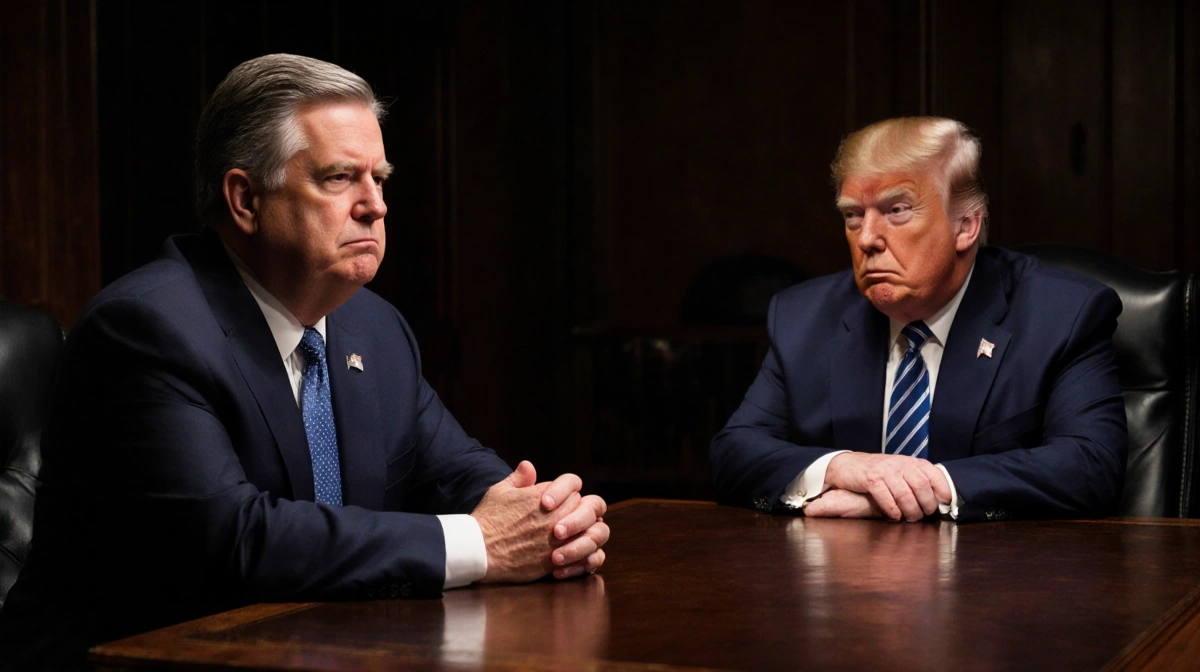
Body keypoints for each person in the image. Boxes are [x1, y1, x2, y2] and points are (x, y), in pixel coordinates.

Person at [0, 54, 608, 668]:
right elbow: (237, 541)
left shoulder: (375, 327)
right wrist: (480, 543)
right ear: (245, 199)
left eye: (380, 178)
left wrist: (549, 522)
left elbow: (455, 469)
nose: (376, 205)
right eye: (340, 178)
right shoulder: (147, 328)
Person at [710, 117, 1128, 523]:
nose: (867, 238)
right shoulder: (805, 317)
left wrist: (922, 489)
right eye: (853, 214)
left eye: (897, 209)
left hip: (999, 580)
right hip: (843, 579)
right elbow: (734, 455)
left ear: (965, 225)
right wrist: (843, 469)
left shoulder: (1063, 314)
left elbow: (1091, 464)